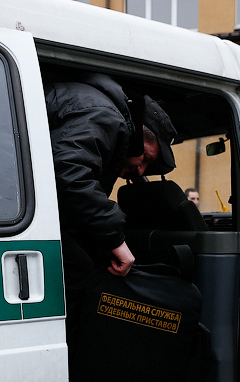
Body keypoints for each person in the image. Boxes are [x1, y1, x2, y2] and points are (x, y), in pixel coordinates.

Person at [44, 73, 176, 333]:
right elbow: (69, 174)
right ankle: (69, 359)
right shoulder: (104, 115)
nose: (141, 171)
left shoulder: (98, 109)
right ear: (138, 136)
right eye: (146, 159)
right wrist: (115, 240)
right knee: (77, 269)